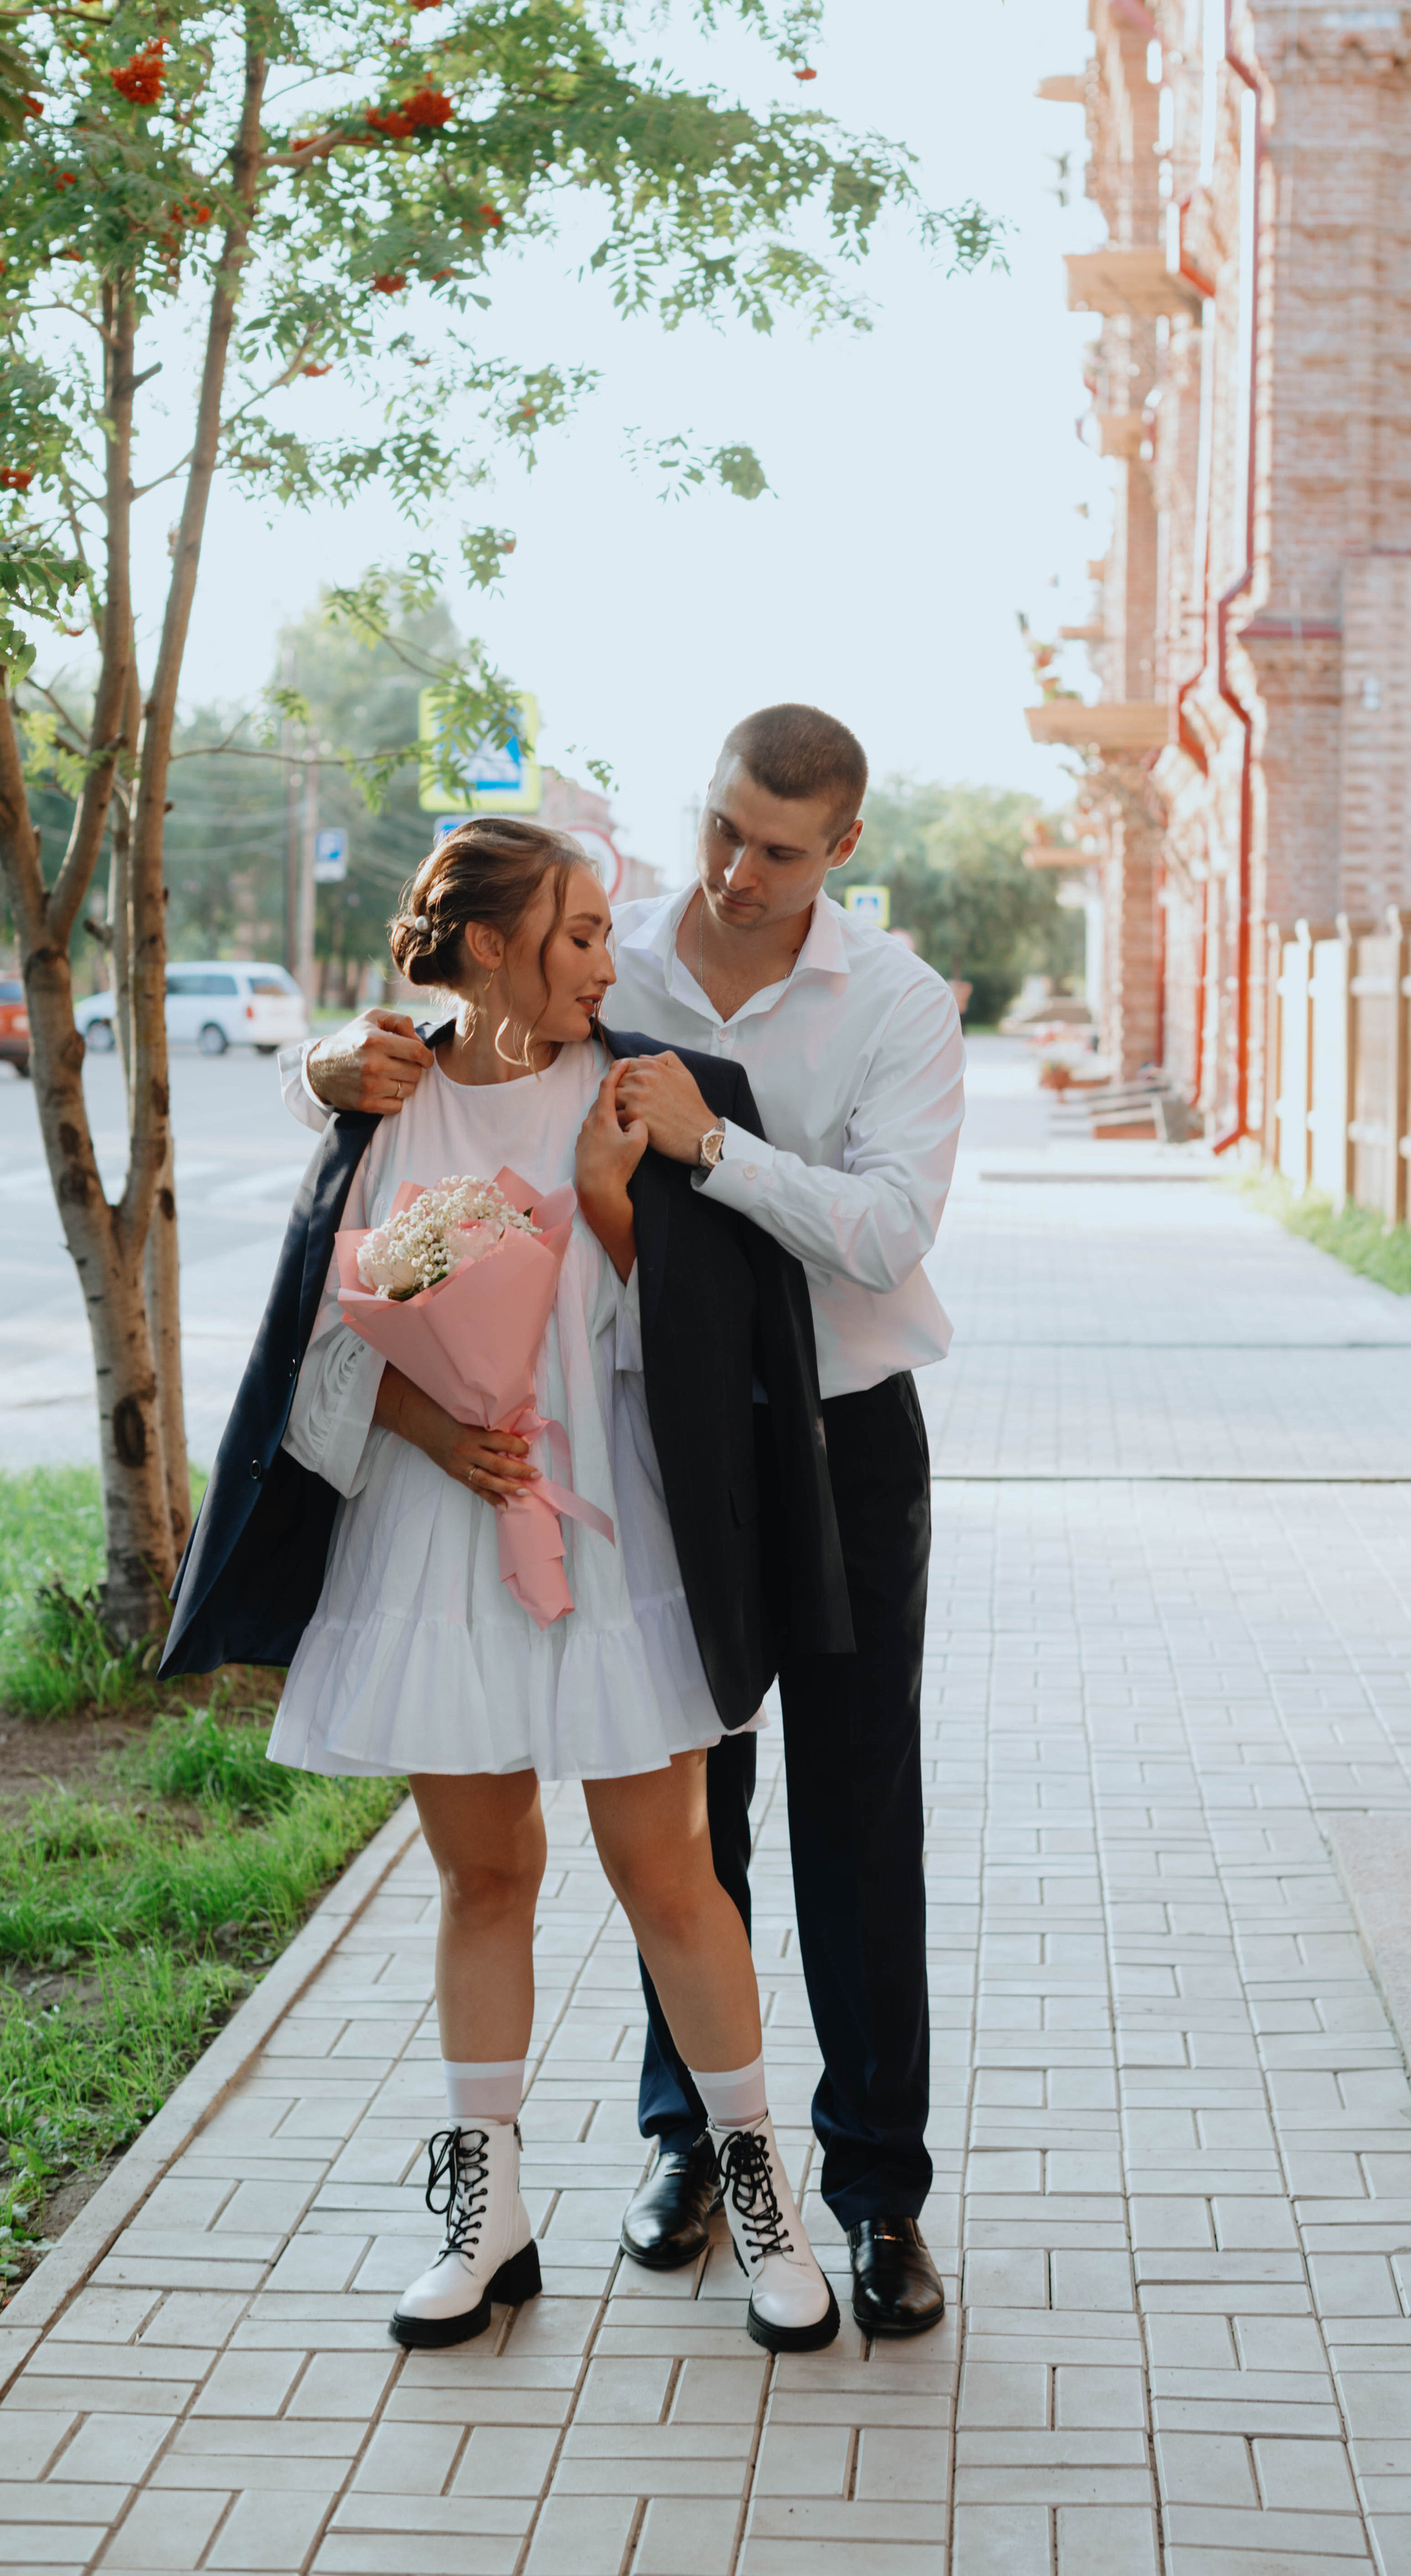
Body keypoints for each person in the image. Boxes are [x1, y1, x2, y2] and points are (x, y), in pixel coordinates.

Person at [287, 706, 966, 2338]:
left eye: (777, 849)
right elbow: (346, 1261)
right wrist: (328, 1075)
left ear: (839, 850)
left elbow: (873, 1239)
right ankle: (668, 2160)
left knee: (841, 1820)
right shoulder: (607, 972)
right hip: (600, 1473)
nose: (733, 871)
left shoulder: (887, 1004)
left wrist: (691, 1161)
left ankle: (870, 2193)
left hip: (822, 1437)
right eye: (721, 829)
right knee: (657, 1842)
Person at [170, 816, 855, 2357]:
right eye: (581, 936)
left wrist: (611, 1205)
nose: (609, 965)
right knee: (483, 1878)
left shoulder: (644, 1092)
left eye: (608, 934)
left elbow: (720, 1356)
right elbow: (323, 1336)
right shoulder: (381, 1099)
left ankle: (763, 2196)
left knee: (667, 1871)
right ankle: (487, 2218)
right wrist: (437, 1425)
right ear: (488, 946)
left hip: (615, 1527)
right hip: (437, 1534)